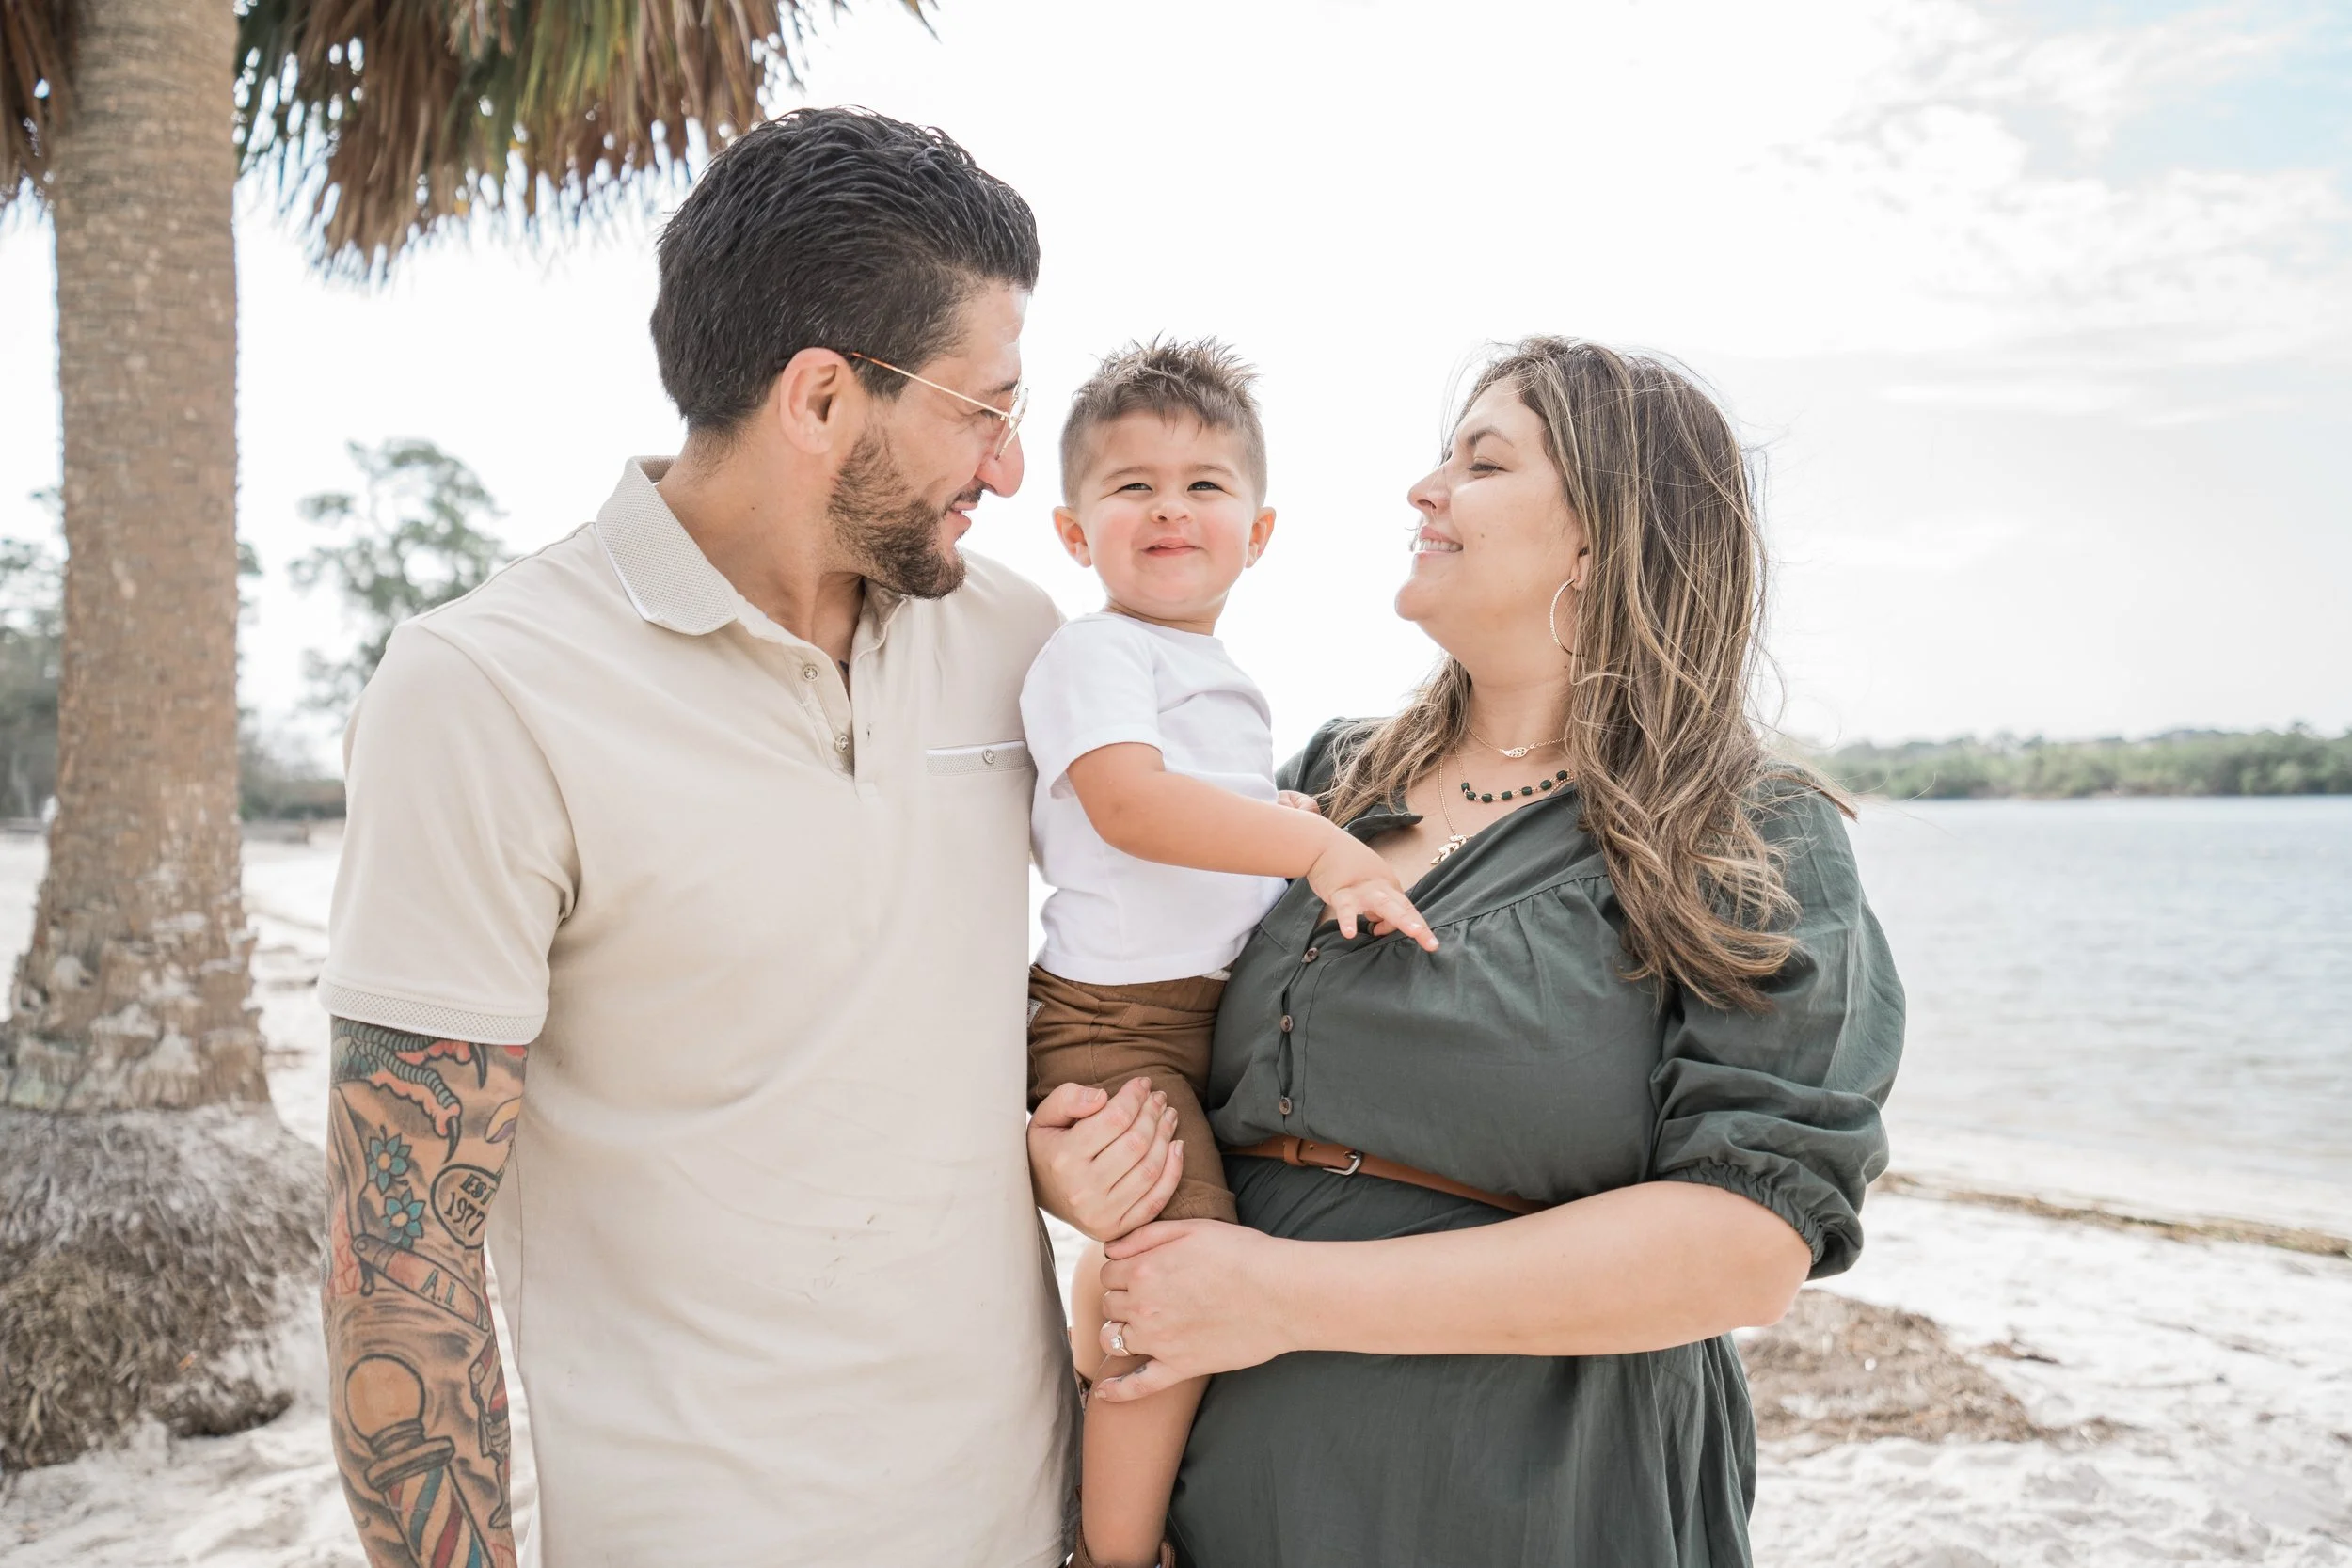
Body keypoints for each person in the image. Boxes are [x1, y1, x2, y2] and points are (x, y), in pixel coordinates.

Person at [318, 107, 1153, 1567]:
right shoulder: (484, 687)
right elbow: (401, 1259)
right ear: (823, 398)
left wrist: (1063, 1133)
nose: (1011, 470)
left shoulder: (1020, 639)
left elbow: (1068, 972)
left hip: (1028, 1524)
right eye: (982, 408)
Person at [1030, 337, 1906, 1567]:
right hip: (1232, 1497)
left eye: (1481, 462)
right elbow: (1154, 1006)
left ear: (1604, 537)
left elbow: (1746, 1247)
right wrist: (1084, 1159)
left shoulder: (1749, 831)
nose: (1423, 491)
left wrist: (1274, 1297)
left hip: (1537, 1503)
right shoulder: (1327, 779)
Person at [1018, 339, 1437, 1568]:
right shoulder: (1097, 654)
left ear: (1258, 533)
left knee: (1175, 1265)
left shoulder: (1217, 673)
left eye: (1205, 484)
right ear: (1070, 527)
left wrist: (1288, 828)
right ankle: (1115, 1552)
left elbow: (1204, 832)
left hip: (1202, 1015)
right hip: (1118, 1021)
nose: (1168, 506)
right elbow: (1132, 807)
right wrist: (1312, 852)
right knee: (1168, 1285)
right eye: (1130, 483)